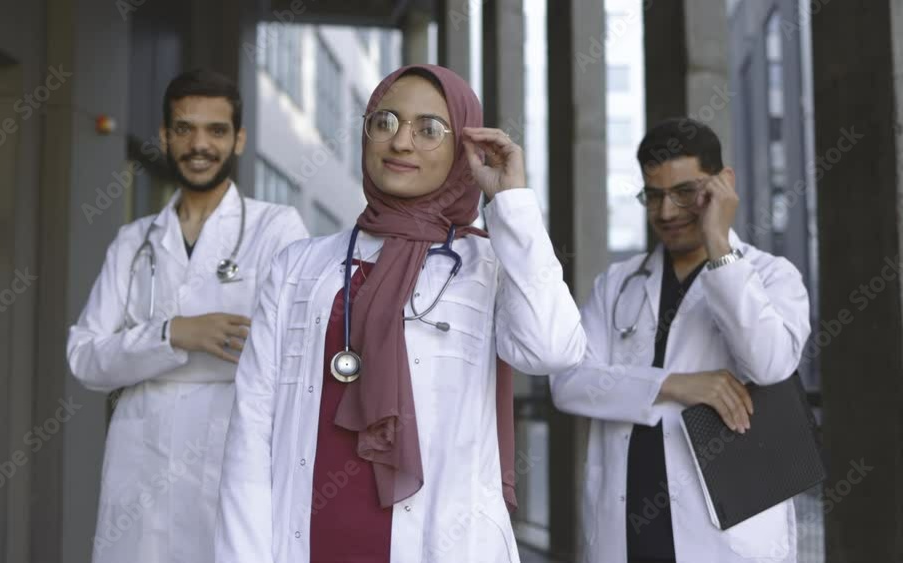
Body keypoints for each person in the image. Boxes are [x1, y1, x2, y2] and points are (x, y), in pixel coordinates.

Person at [214, 64, 587, 563]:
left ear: (463, 149)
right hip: (308, 537)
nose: (402, 142)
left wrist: (512, 203)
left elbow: (553, 349)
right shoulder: (300, 266)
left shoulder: (489, 264)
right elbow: (252, 429)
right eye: (385, 121)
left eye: (429, 129)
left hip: (440, 543)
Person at [66, 69, 308, 563]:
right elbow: (85, 358)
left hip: (232, 453)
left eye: (216, 130)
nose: (200, 144)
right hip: (140, 460)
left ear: (238, 139)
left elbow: (295, 355)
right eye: (184, 128)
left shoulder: (277, 229)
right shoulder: (133, 242)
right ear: (164, 136)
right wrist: (175, 334)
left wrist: (137, 350)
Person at [549, 117, 811, 563]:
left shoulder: (771, 276)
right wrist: (674, 384)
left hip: (724, 537)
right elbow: (569, 383)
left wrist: (717, 244)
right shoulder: (617, 283)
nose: (667, 212)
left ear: (723, 184)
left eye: (686, 193)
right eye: (654, 196)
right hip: (629, 526)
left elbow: (768, 365)